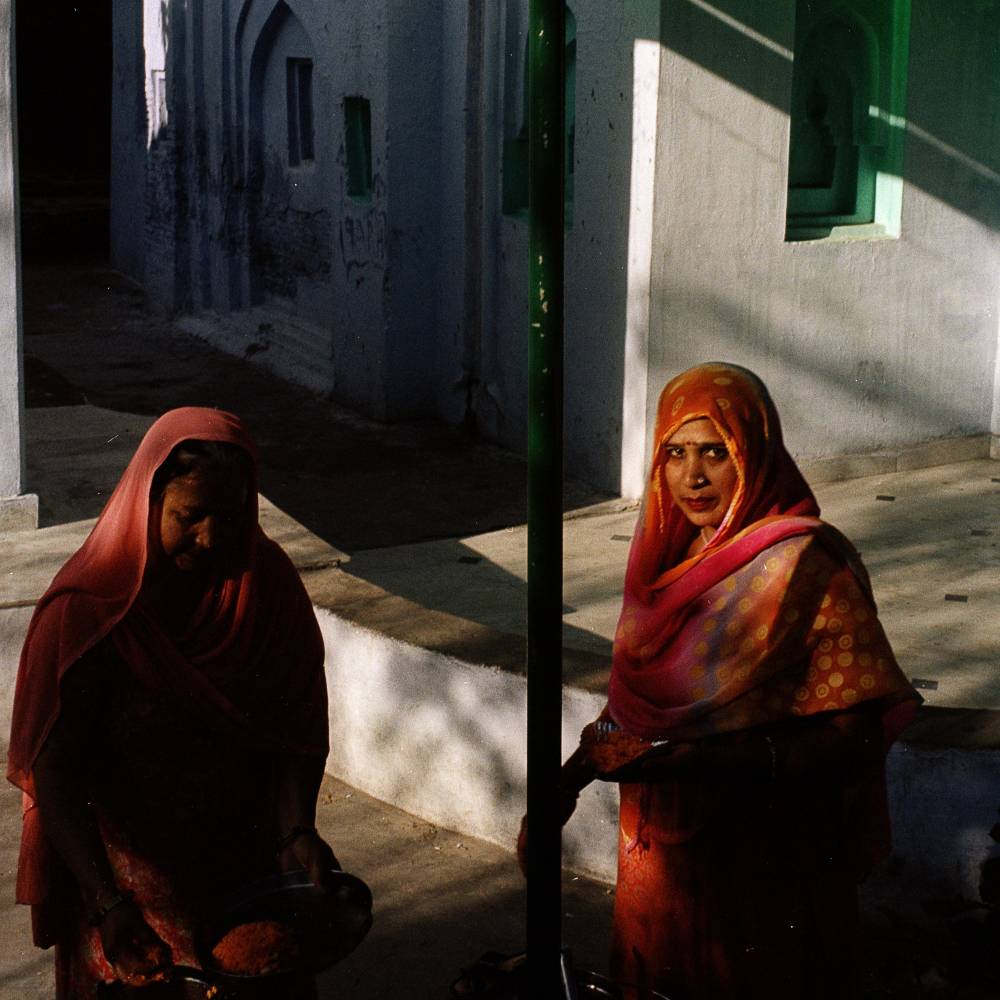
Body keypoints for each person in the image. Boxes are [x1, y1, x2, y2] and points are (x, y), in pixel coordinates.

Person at [520, 363, 920, 1000]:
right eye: (675, 453)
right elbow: (634, 712)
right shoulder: (670, 568)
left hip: (762, 861)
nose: (692, 476)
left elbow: (855, 734)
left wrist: (715, 760)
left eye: (715, 452)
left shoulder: (807, 565)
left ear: (754, 455)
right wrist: (562, 789)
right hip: (662, 856)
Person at [8, 407, 337, 998]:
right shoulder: (88, 613)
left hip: (248, 877)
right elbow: (53, 769)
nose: (211, 538)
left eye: (231, 518)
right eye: (190, 515)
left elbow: (296, 726)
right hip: (128, 898)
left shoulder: (268, 590)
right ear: (147, 503)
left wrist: (296, 831)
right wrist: (104, 902)